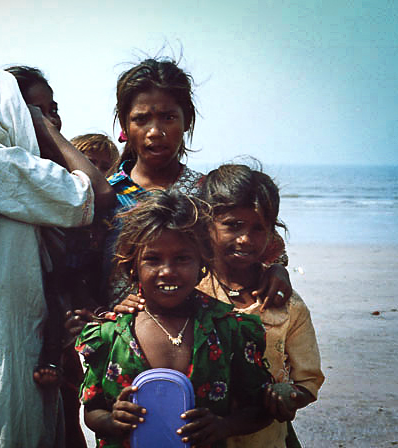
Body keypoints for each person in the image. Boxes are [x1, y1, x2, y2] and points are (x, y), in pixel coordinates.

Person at [0, 67, 114, 448]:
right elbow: (97, 195)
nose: (47, 118)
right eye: (32, 110)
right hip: (9, 330)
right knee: (14, 419)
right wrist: (44, 129)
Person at [76, 189, 273, 448]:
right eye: (152, 259)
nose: (167, 271)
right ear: (132, 265)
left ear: (202, 263)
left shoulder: (229, 329)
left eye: (182, 259)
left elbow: (261, 409)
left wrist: (224, 425)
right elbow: (92, 410)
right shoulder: (111, 334)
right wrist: (112, 420)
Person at [102, 56, 291, 307]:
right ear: (125, 124)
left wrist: (279, 271)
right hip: (115, 336)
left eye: (168, 117)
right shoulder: (104, 195)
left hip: (197, 337)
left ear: (187, 121)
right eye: (141, 119)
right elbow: (78, 272)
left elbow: (269, 250)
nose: (155, 131)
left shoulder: (208, 194)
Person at [197, 163, 324, 447]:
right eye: (232, 225)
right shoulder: (188, 293)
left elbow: (308, 381)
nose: (245, 239)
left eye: (258, 228)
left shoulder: (288, 307)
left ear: (272, 232)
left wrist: (286, 396)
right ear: (207, 224)